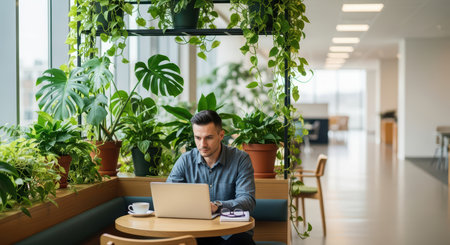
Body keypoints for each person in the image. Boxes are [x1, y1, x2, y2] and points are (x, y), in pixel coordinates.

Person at [167, 110, 256, 245]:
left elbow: (247, 201)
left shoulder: (240, 160)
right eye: (198, 138)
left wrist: (217, 206)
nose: (202, 144)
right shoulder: (185, 160)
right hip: (195, 233)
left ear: (221, 135)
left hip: (232, 235)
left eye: (208, 137)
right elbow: (169, 195)